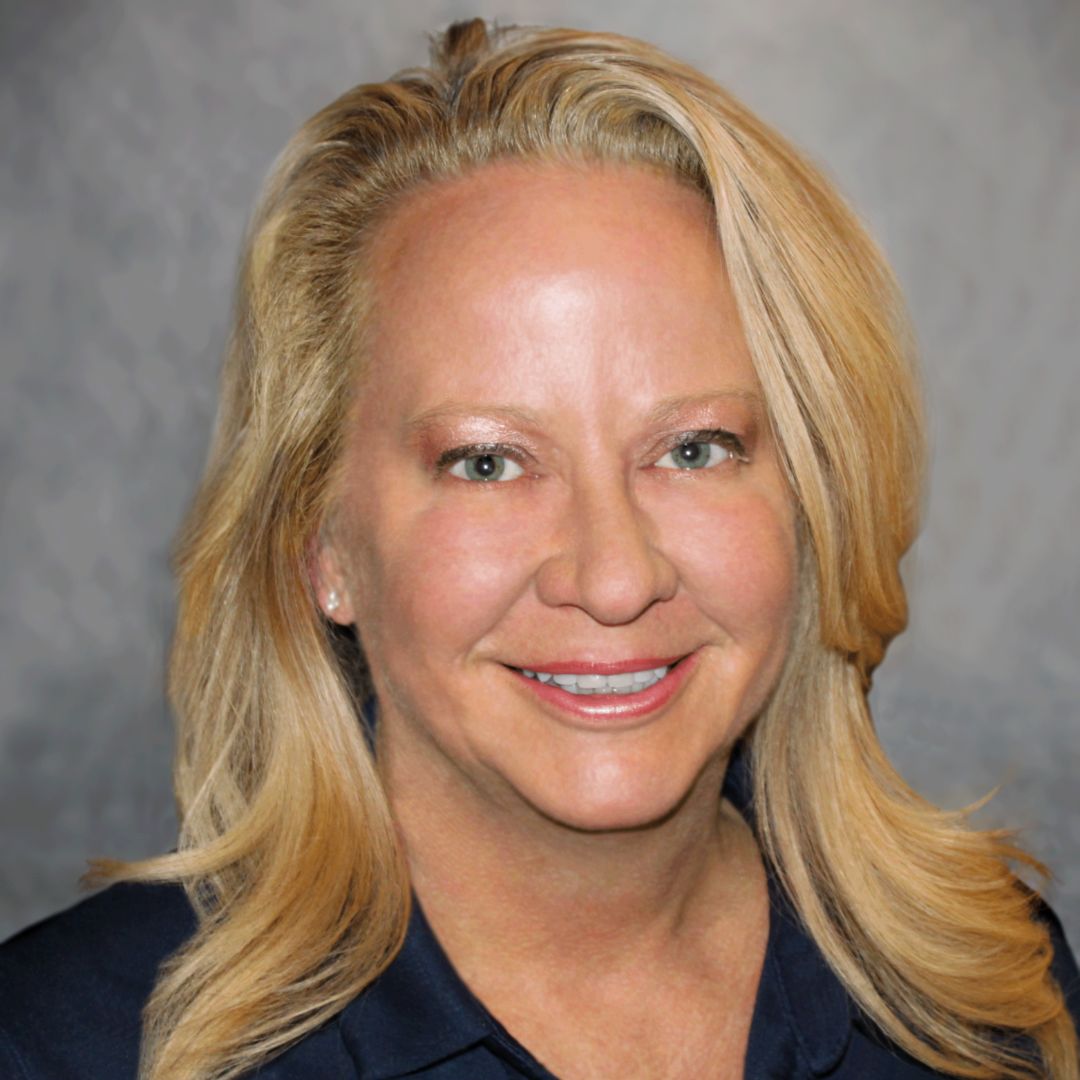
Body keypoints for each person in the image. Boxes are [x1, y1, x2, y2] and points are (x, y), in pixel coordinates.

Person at [1, 17, 1077, 1080]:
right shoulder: (61, 1047)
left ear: (810, 496)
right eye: (486, 463)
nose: (614, 579)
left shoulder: (988, 994)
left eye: (695, 448)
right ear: (323, 545)